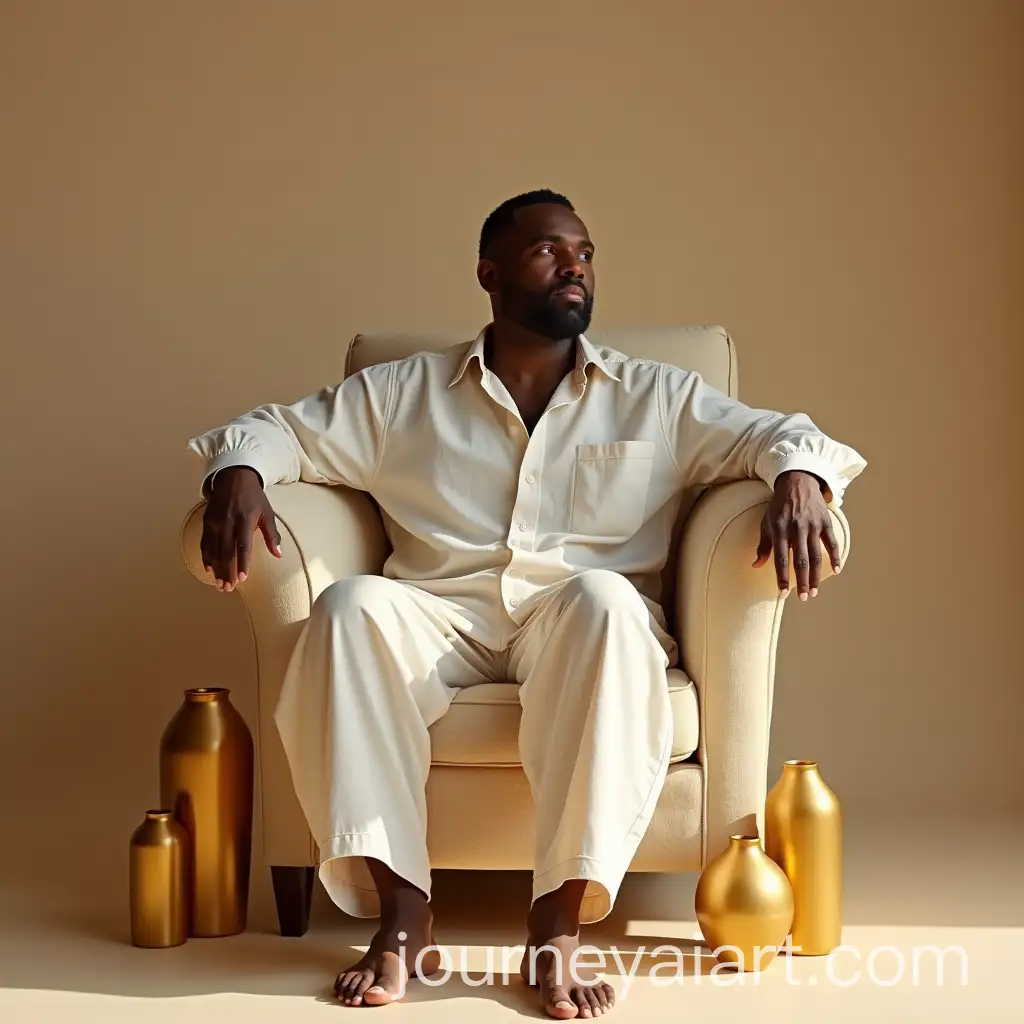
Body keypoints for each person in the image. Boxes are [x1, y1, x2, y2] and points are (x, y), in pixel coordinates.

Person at [188, 189, 866, 1018]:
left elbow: (781, 432)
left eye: (583, 252)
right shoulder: (402, 392)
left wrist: (799, 476)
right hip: (439, 617)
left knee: (608, 603)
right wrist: (239, 475)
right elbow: (274, 429)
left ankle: (556, 926)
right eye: (549, 251)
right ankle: (404, 916)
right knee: (347, 608)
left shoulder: (656, 396)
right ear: (491, 273)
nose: (574, 265)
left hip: (576, 624)